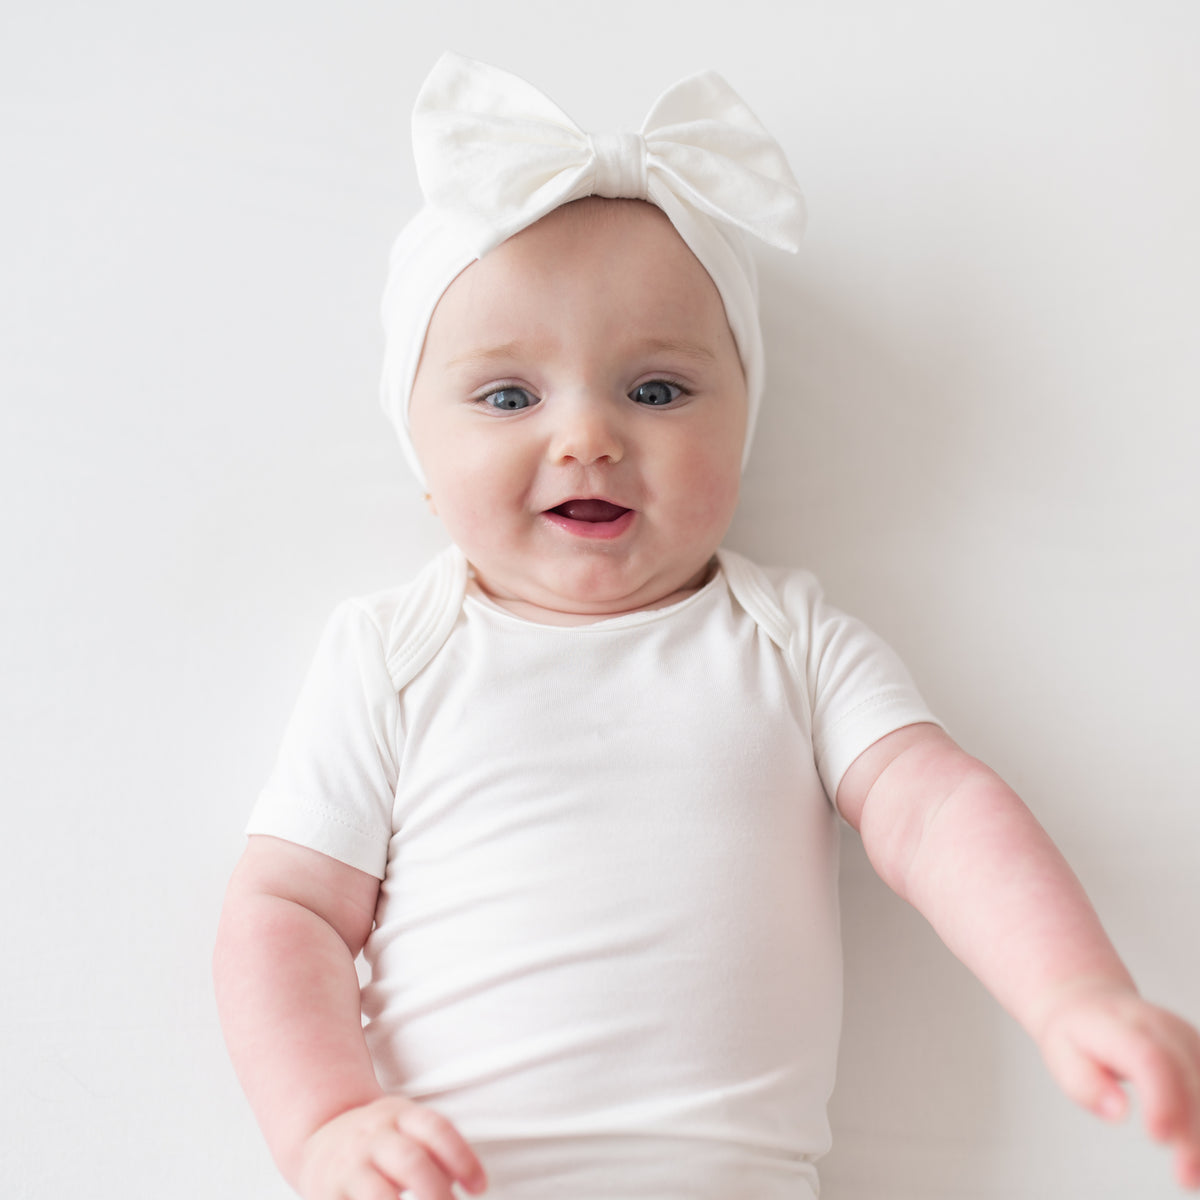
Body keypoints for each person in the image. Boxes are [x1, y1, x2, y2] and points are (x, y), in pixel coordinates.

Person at [213, 53, 1200, 1200]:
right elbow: (287, 909)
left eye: (657, 390)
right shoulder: (394, 657)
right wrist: (327, 1119)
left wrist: (1073, 992)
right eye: (509, 396)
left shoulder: (792, 646)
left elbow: (938, 815)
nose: (587, 437)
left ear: (742, 425)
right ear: (419, 458)